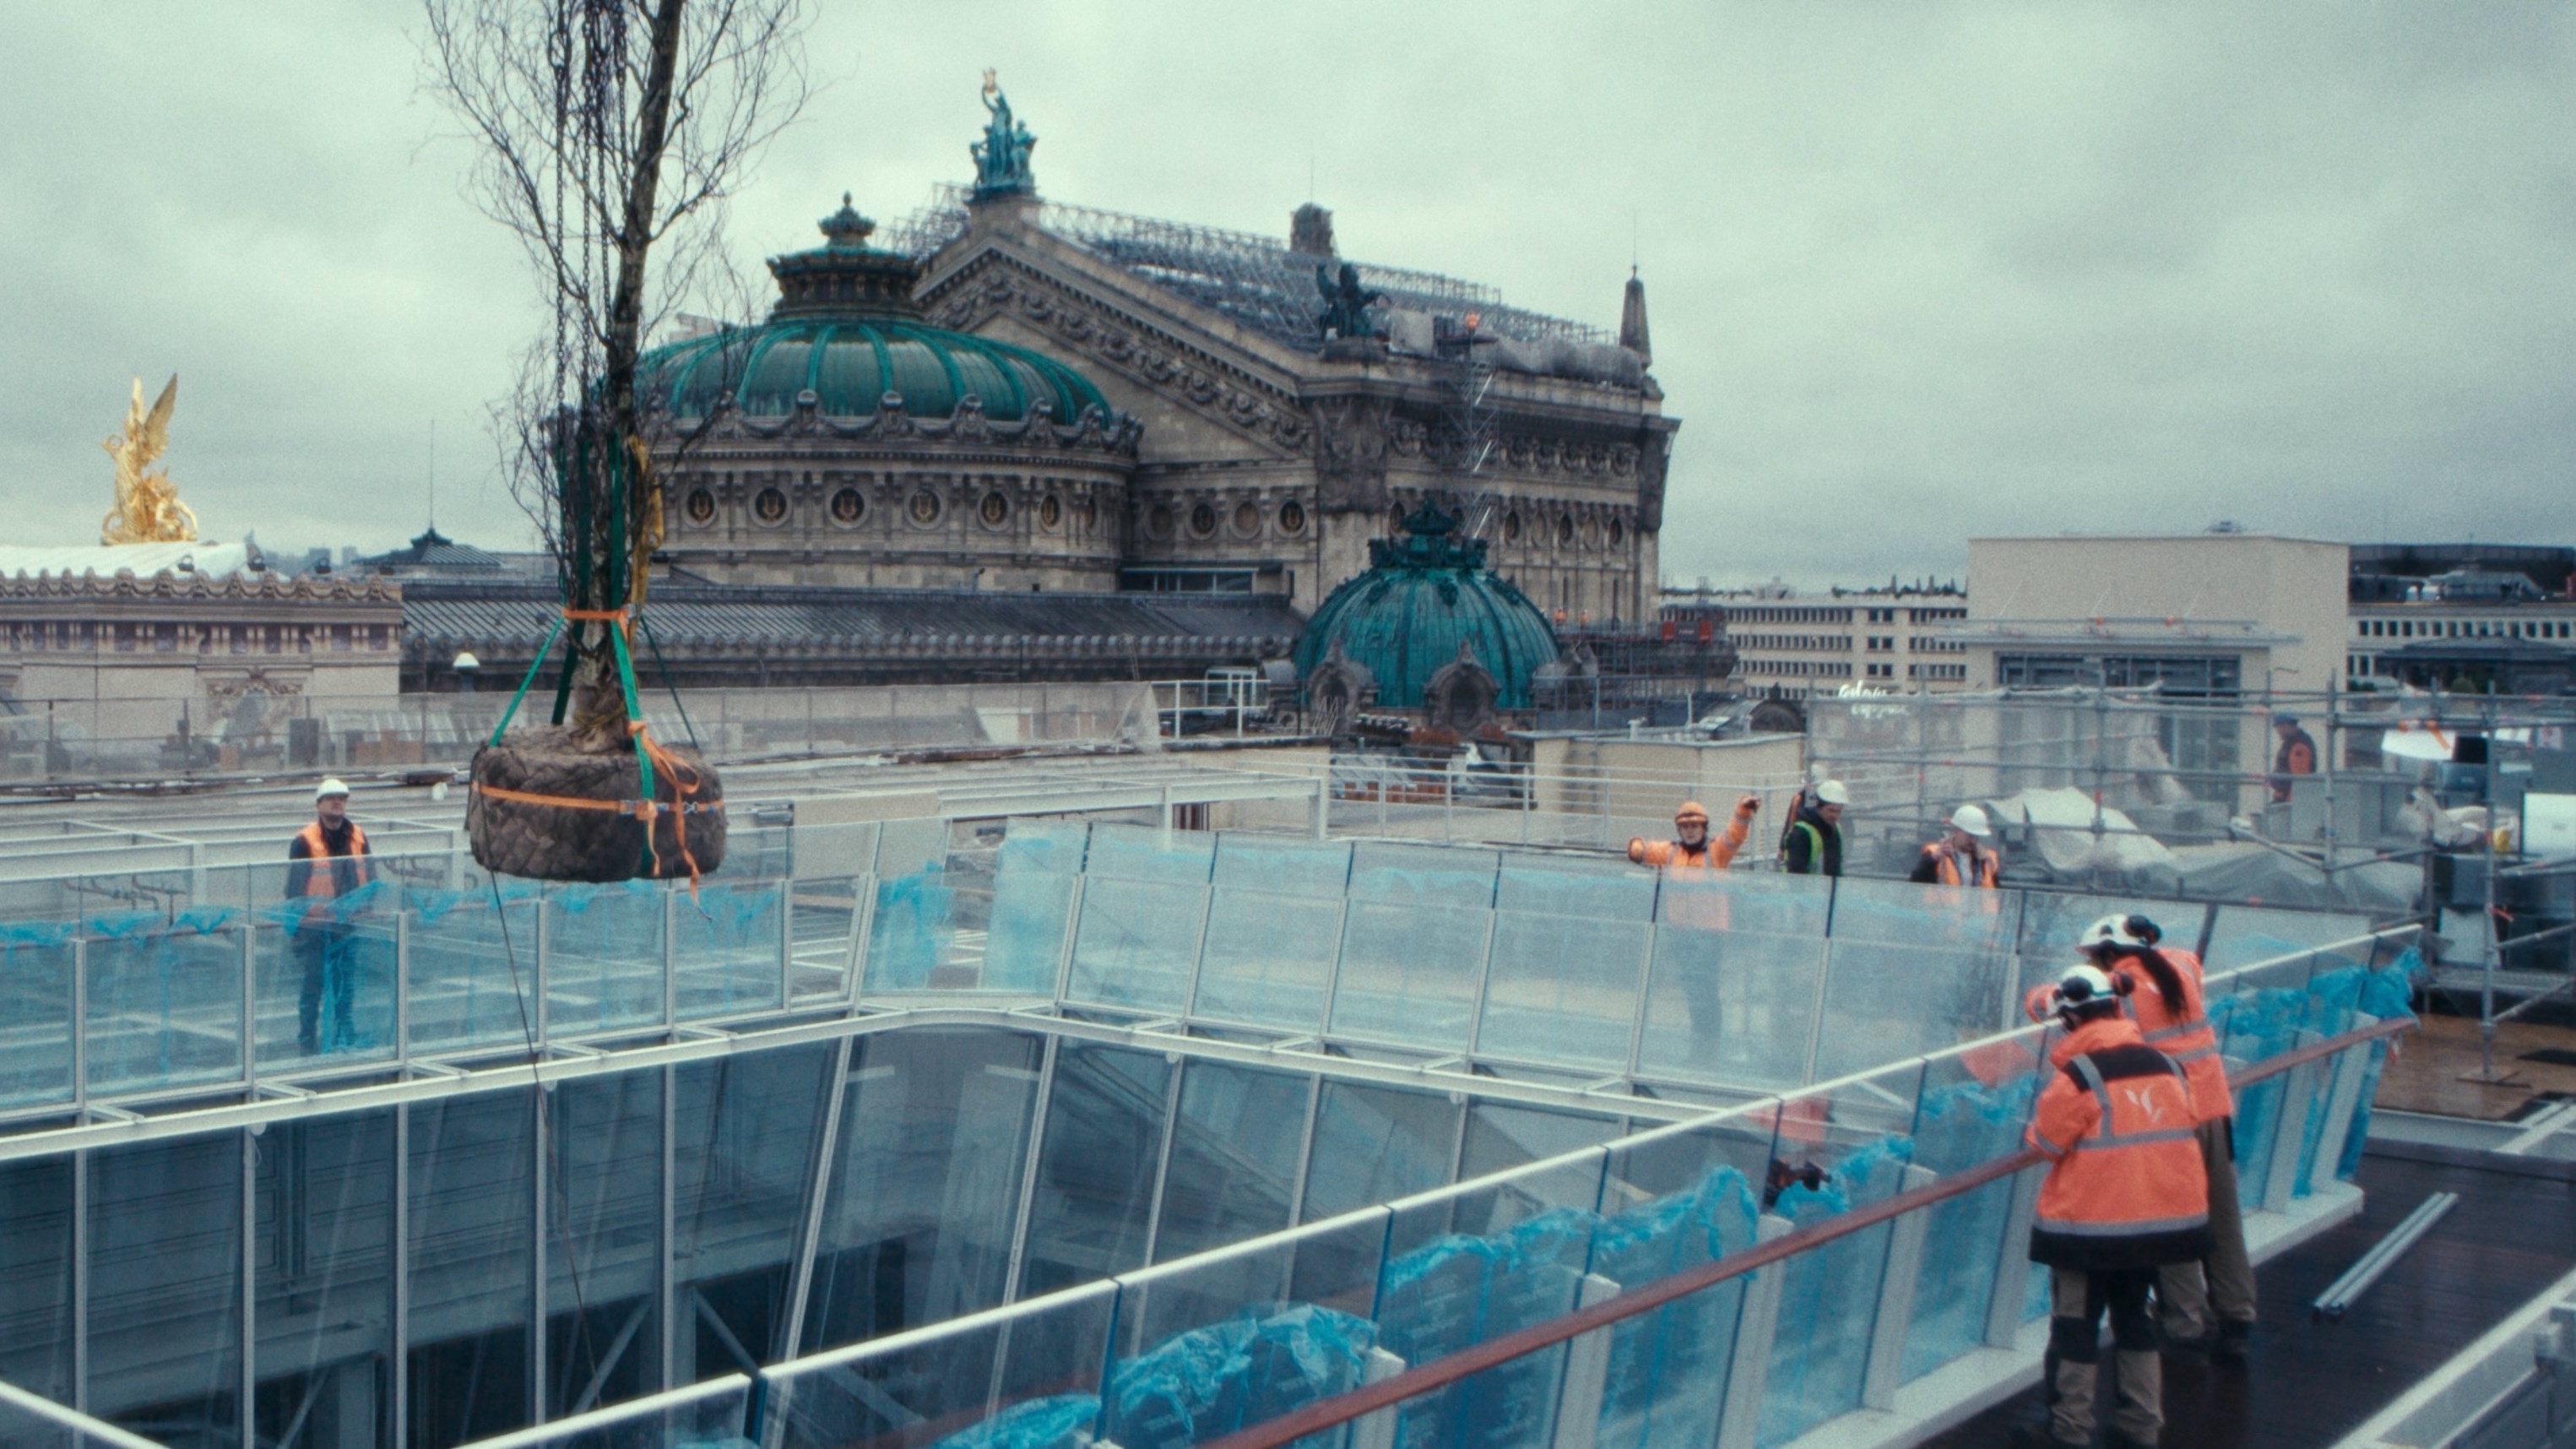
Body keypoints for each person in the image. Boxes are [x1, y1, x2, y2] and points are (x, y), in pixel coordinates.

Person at [2015, 963, 2211, 1449]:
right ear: (2116, 1005)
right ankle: (2142, 1425)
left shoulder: (2080, 1075)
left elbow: (2045, 1143)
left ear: (2071, 1019)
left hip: (2090, 1231)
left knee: (2076, 1327)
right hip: (2155, 1228)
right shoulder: (2167, 1065)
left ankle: (2069, 1430)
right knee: (2135, 1320)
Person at [2078, 914, 2254, 1360]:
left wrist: (2053, 994)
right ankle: (2237, 1316)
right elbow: (2180, 955)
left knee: (2174, 1219)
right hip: (2213, 1108)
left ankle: (2184, 1324)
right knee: (2222, 1214)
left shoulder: (2122, 992)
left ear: (2109, 954)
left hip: (2171, 1119)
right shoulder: (2181, 967)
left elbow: (2070, 1009)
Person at [288, 778, 371, 1055]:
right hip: (315, 928)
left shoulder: (357, 835)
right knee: (313, 987)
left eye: (343, 798)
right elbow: (295, 889)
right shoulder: (304, 841)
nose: (338, 802)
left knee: (344, 985)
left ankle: (342, 1036)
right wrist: (303, 922)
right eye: (332, 798)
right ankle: (307, 1041)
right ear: (319, 804)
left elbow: (369, 877)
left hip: (346, 926)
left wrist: (366, 907)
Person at [1627, 795, 1760, 874]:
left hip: (1709, 922)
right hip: (1675, 922)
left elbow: (1735, 835)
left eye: (1694, 826)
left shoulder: (1718, 850)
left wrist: (1743, 811)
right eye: (1684, 826)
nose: (1689, 831)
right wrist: (1636, 847)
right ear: (1679, 830)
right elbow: (1644, 848)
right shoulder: (1670, 852)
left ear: (1704, 828)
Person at [1908, 803, 2000, 887]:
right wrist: (1932, 861)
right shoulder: (1934, 854)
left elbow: (1997, 892)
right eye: (1970, 835)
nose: (1974, 841)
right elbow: (1915, 885)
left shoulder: (1988, 859)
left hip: (1976, 905)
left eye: (1977, 836)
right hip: (1943, 905)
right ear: (1957, 830)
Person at [1780, 779, 1847, 876]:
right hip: (1804, 889)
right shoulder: (1801, 833)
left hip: (1826, 888)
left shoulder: (1836, 829)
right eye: (1831, 810)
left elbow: (1836, 868)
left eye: (1838, 811)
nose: (1835, 816)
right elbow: (1796, 875)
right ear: (1819, 807)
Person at [2269, 714, 2318, 803]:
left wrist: (2291, 803)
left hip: (2288, 799)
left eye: (2278, 728)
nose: (2278, 732)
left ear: (2286, 726)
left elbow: (2300, 779)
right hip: (2284, 796)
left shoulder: (2298, 746)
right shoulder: (2291, 743)